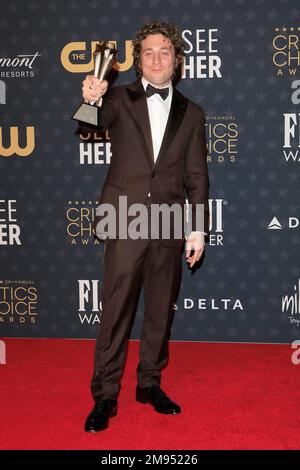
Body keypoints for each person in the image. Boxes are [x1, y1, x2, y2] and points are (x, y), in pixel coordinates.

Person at [81, 20, 209, 433]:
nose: (158, 58)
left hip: (169, 221)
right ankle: (105, 394)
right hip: (123, 216)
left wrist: (197, 228)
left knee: (158, 311)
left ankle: (149, 384)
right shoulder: (119, 98)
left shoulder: (193, 113)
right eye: (150, 52)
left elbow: (197, 176)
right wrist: (89, 98)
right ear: (139, 62)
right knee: (116, 310)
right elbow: (88, 126)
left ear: (177, 61)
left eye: (165, 52)